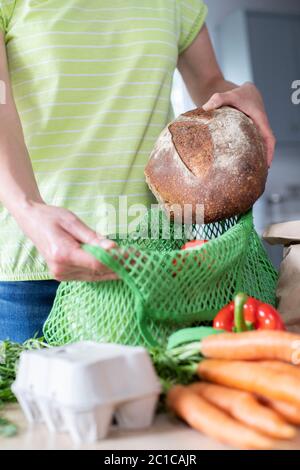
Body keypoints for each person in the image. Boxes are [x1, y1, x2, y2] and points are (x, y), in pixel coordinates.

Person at [0, 1, 275, 342]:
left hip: (151, 263)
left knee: (158, 394)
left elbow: (209, 82)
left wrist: (238, 94)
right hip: (33, 263)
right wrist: (29, 208)